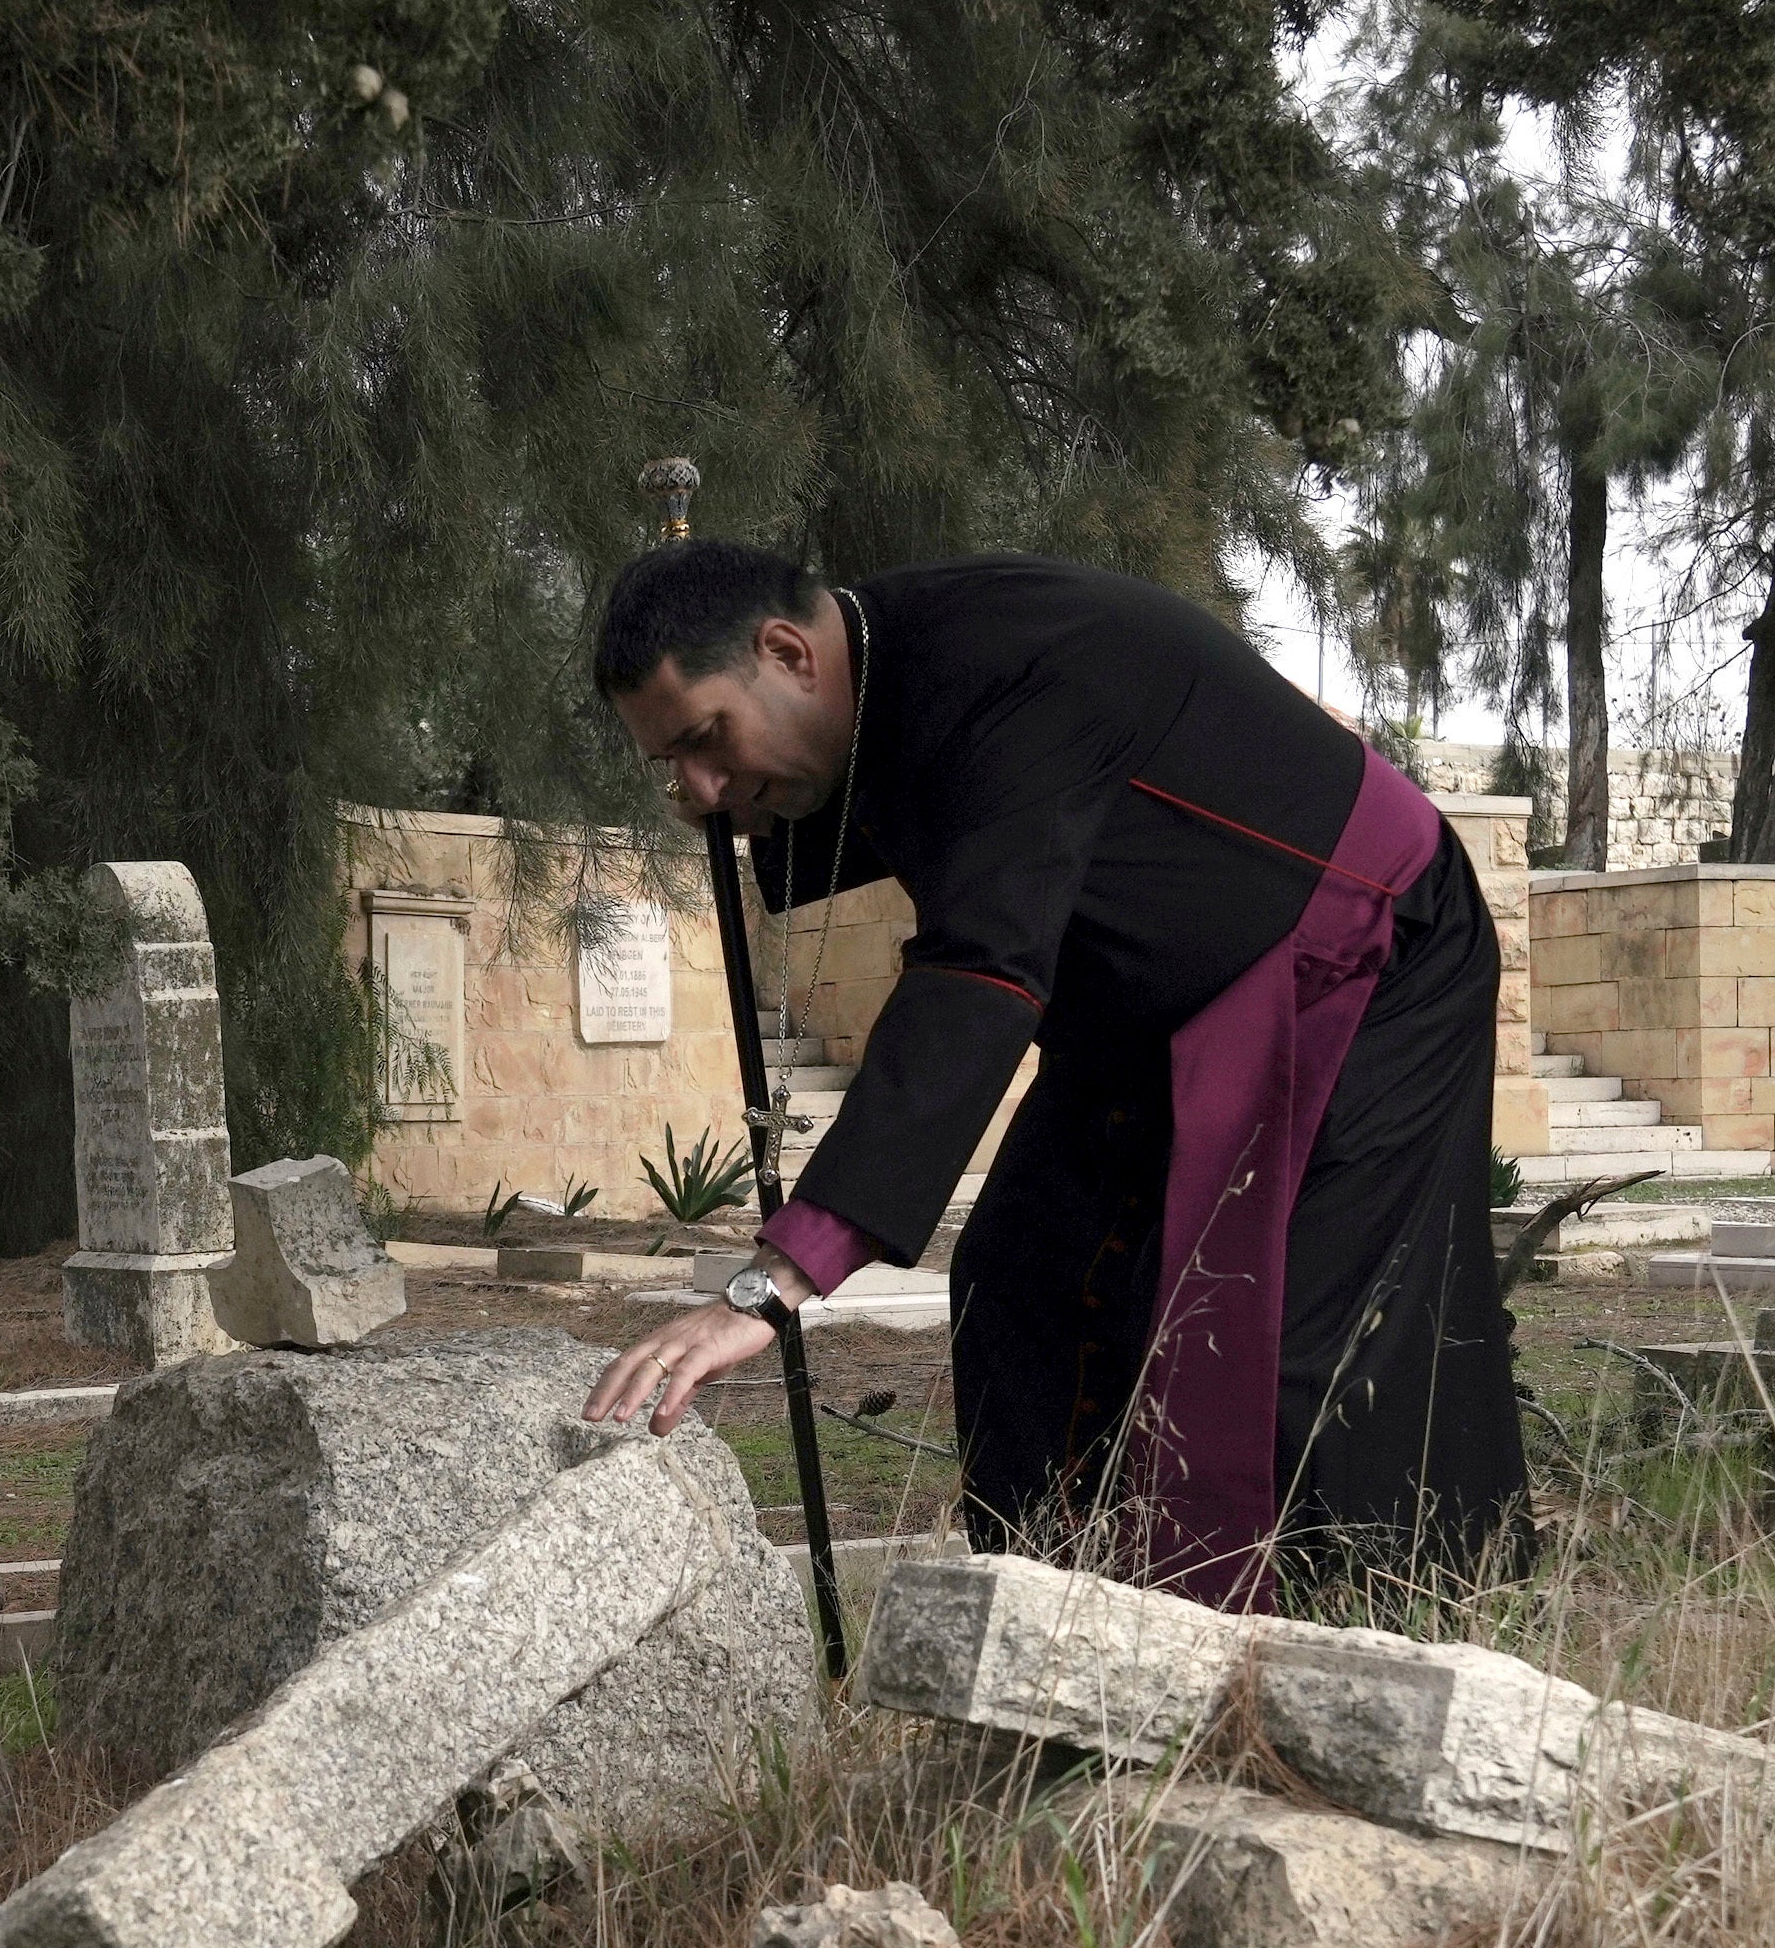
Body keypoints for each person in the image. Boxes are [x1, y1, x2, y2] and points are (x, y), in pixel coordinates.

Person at [576, 538, 1529, 1607]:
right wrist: (733, 793)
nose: (698, 786)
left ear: (789, 651)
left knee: (1278, 1344)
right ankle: (1047, 1629)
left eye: (706, 739)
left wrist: (778, 1281)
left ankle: (1361, 1647)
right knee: (1025, 1276)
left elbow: (978, 969)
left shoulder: (1005, 665)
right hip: (1144, 1004)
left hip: (1360, 954)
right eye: (671, 767)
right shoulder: (884, 674)